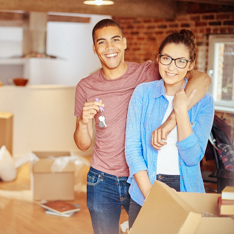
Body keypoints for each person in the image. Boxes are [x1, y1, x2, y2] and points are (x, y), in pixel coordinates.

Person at [74, 19, 211, 234]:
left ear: (125, 43)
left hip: (139, 177)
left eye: (115, 40)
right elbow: (83, 145)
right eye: (102, 42)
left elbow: (202, 79)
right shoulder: (86, 86)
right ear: (94, 48)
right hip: (103, 179)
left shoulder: (148, 72)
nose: (110, 48)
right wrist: (83, 122)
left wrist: (170, 122)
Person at [125, 29, 215, 228]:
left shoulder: (204, 102)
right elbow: (132, 149)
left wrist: (181, 111)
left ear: (190, 65)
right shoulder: (143, 93)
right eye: (166, 58)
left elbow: (192, 158)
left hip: (187, 191)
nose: (171, 67)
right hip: (146, 188)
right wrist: (150, 194)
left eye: (180, 61)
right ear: (158, 59)